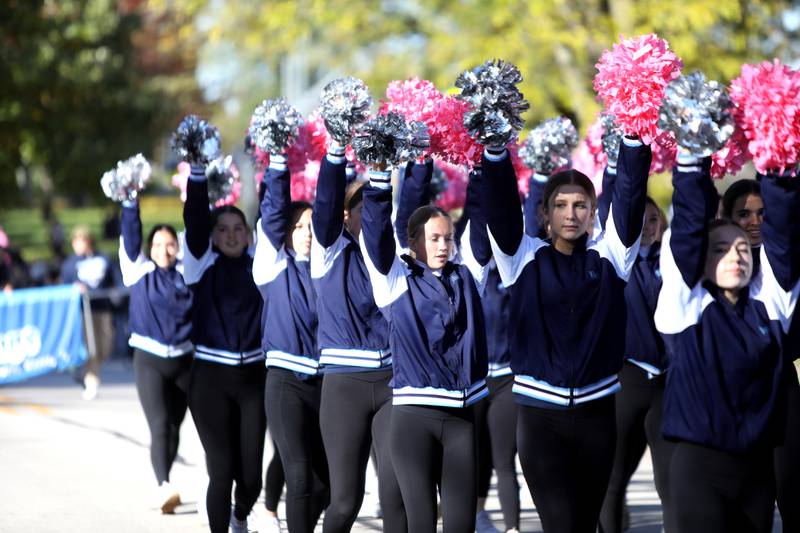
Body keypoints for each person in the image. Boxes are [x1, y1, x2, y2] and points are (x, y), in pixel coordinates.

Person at [480, 138, 651, 533]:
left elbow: (628, 197)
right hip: (541, 420)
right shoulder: (521, 258)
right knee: (559, 525)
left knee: (586, 524)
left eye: (580, 206)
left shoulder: (612, 258)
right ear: (545, 214)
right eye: (560, 205)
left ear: (594, 213)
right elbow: (501, 207)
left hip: (597, 415)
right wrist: (494, 154)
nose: (570, 214)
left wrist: (633, 140)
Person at [654, 155, 799, 533]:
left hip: (757, 472)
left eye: (741, 249)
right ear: (702, 261)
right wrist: (691, 162)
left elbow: (783, 240)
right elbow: (686, 232)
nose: (735, 255)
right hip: (700, 471)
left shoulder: (770, 306)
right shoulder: (685, 307)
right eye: (720, 249)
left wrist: (777, 161)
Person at [360, 162, 489, 533]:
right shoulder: (396, 280)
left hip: (462, 419)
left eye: (447, 238)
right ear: (413, 241)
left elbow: (480, 220)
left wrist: (481, 163)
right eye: (434, 238)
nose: (443, 245)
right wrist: (381, 181)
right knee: (421, 523)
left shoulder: (467, 276)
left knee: (461, 525)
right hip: (412, 418)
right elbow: (376, 235)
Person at [311, 144, 414, 533]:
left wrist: (409, 162)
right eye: (364, 209)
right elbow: (323, 205)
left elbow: (404, 211)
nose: (373, 217)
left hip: (391, 384)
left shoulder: (391, 260)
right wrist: (335, 152)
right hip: (343, 387)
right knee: (345, 501)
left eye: (378, 209)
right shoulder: (328, 253)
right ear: (346, 217)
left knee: (395, 492)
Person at [183, 164, 265, 533]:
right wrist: (197, 173)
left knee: (251, 479)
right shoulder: (199, 266)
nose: (231, 236)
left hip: (253, 379)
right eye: (223, 230)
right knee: (222, 470)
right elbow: (196, 219)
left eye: (238, 229)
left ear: (248, 235)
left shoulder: (262, 267)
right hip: (210, 380)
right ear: (213, 237)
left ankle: (241, 515)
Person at [254, 153, 328, 533]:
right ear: (286, 232)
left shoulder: (329, 268)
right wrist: (280, 161)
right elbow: (272, 212)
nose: (307, 232)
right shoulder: (272, 264)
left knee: (325, 486)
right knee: (297, 477)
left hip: (324, 385)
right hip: (284, 382)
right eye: (298, 226)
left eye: (313, 225)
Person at [720, 177, 800, 532]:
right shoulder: (714, 265)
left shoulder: (784, 259)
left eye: (762, 213)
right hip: (732, 393)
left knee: (792, 488)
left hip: (781, 386)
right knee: (749, 498)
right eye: (744, 214)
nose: (754, 221)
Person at [598, 196, 674, 533]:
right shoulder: (616, 263)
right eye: (638, 219)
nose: (646, 226)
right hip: (627, 380)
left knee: (671, 480)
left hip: (666, 383)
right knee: (613, 477)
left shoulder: (672, 263)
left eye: (653, 219)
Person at [118, 199, 193, 514]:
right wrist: (130, 201)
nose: (165, 250)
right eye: (158, 244)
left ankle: (166, 478)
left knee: (175, 427)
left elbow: (198, 235)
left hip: (184, 361)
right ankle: (162, 485)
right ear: (150, 248)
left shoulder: (188, 272)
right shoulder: (138, 270)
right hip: (149, 359)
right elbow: (131, 235)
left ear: (178, 247)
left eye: (171, 244)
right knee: (160, 424)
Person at [60, 225, 117, 400]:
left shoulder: (104, 259)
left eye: (81, 240)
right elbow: (65, 287)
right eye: (75, 241)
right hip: (83, 312)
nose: (77, 245)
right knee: (91, 348)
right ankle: (91, 381)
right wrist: (74, 288)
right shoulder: (69, 264)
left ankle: (82, 371)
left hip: (103, 308)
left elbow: (116, 281)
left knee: (105, 348)